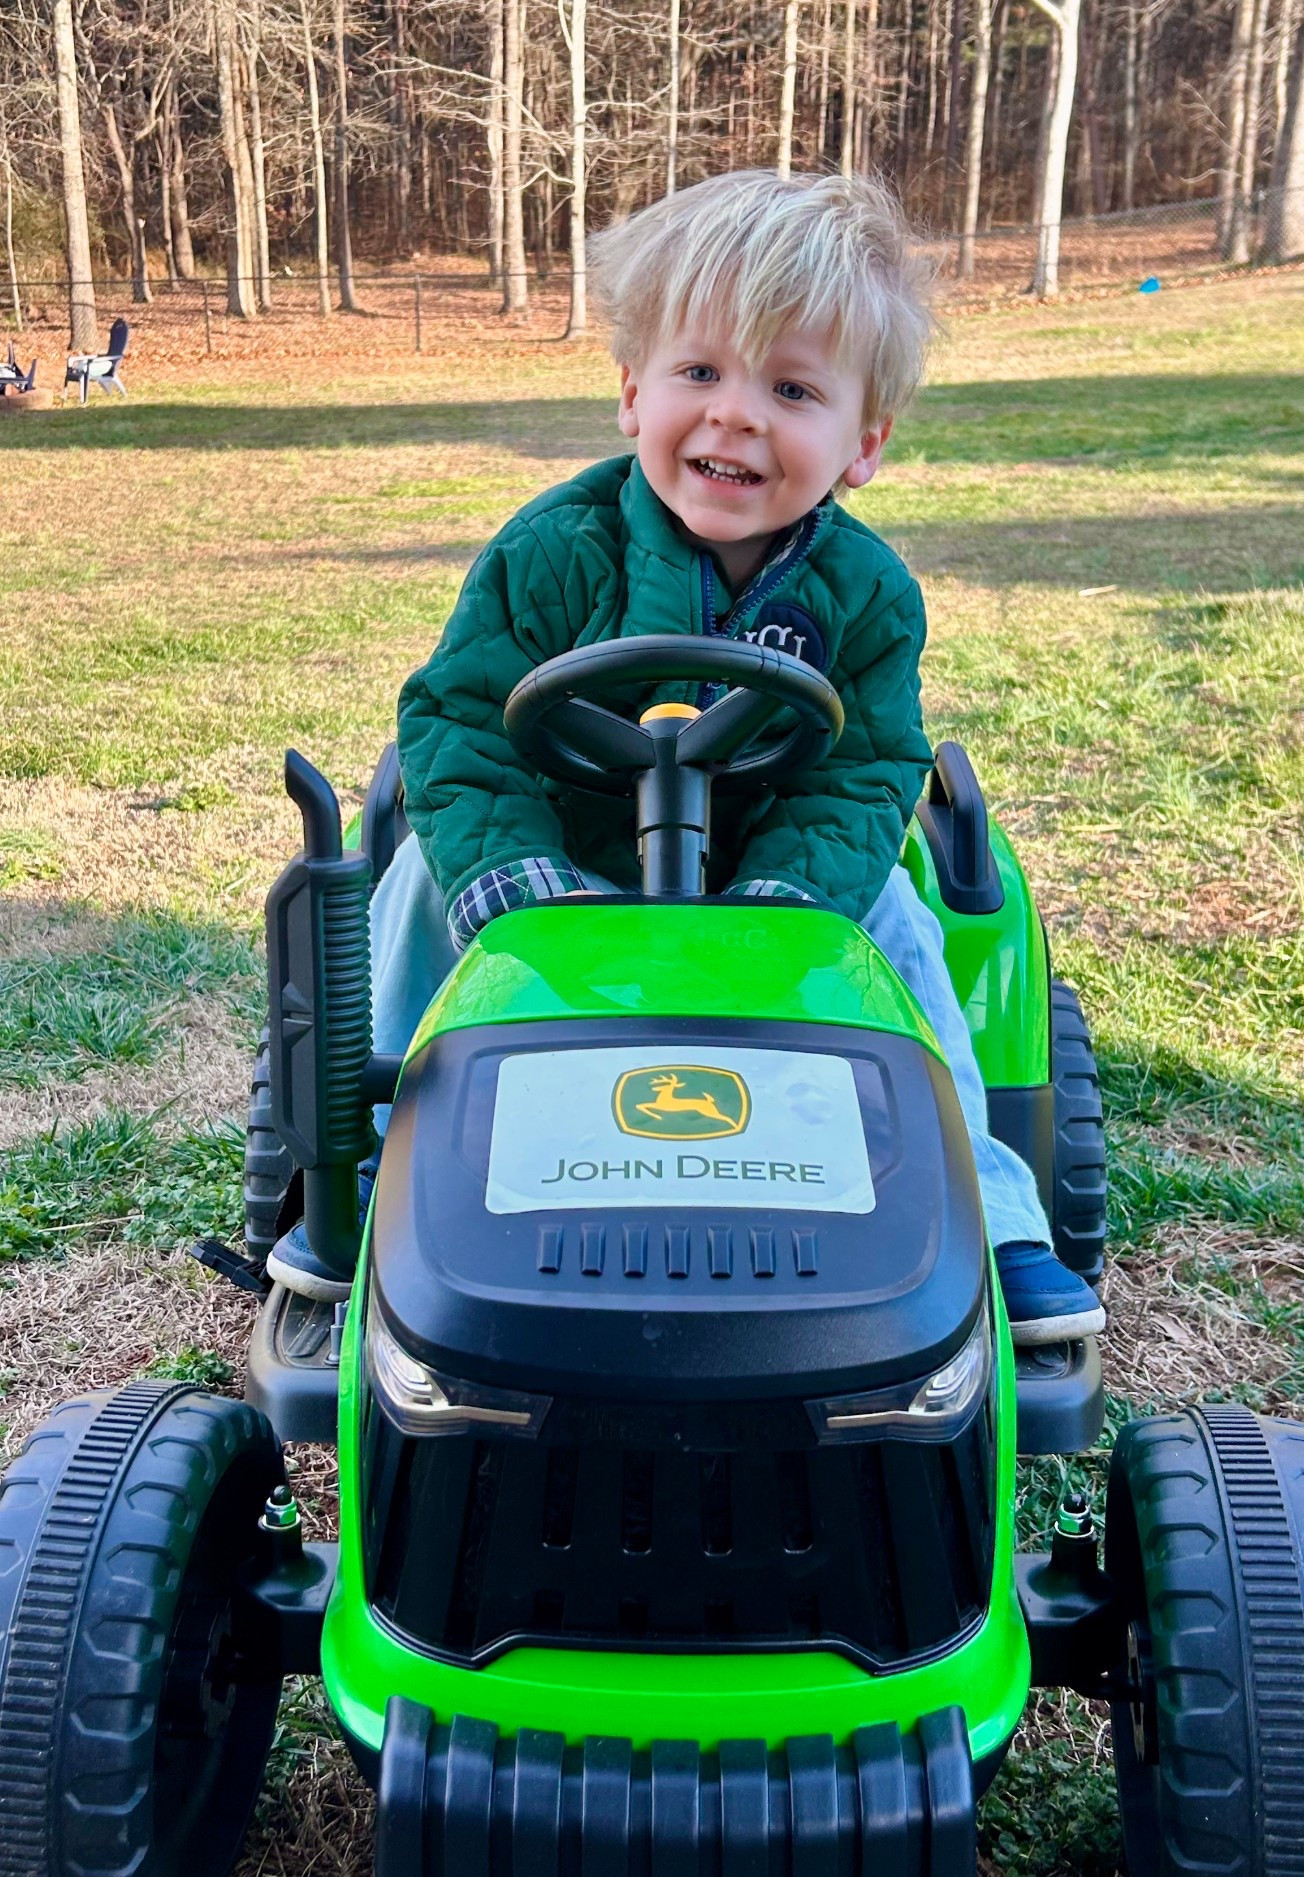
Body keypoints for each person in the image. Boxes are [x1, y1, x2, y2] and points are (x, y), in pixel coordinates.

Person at [267, 169, 1106, 1349]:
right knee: (408, 883)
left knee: (905, 929)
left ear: (862, 442)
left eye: (792, 386)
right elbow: (455, 720)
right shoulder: (553, 552)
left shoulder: (868, 596)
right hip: (559, 876)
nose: (737, 414)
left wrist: (799, 900)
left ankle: (994, 1217)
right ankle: (366, 1192)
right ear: (631, 391)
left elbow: (866, 770)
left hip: (771, 892)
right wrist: (507, 881)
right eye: (701, 372)